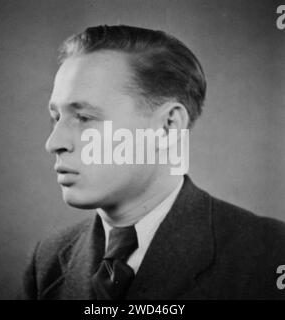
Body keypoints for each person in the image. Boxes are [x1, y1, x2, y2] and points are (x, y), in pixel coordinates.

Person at [19, 25, 285, 300]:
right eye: (56, 117)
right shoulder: (47, 261)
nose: (53, 143)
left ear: (168, 126)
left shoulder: (269, 255)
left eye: (84, 117)